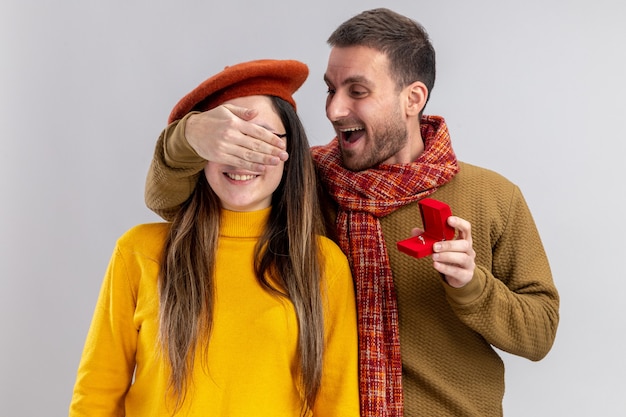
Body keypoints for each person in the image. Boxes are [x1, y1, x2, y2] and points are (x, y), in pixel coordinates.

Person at [143, 8, 560, 417]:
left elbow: (539, 334)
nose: (334, 110)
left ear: (412, 98)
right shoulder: (301, 180)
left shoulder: (494, 196)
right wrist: (189, 135)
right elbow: (170, 201)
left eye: (357, 91)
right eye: (331, 89)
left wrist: (472, 285)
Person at [69, 59, 360, 417]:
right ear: (201, 151)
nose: (243, 155)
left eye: (262, 137)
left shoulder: (322, 263)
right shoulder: (139, 252)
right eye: (229, 139)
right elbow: (96, 395)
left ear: (290, 151)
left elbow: (337, 404)